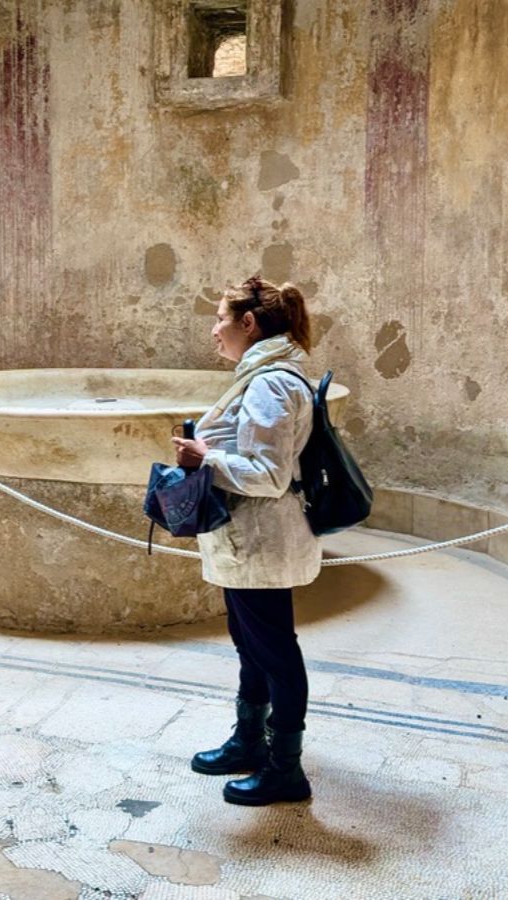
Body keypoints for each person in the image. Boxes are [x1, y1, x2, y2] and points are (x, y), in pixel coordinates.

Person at [171, 275, 321, 807]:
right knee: (252, 645)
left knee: (275, 651)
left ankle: (286, 768)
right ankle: (249, 740)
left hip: (261, 538)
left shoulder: (271, 383)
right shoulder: (264, 375)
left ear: (248, 323)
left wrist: (203, 458)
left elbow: (269, 474)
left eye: (221, 318)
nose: (215, 331)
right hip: (248, 538)